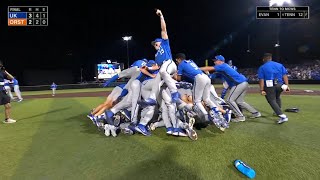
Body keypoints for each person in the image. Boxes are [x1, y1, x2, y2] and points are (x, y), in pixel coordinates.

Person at [174, 53, 228, 131]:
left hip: (199, 78)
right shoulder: (190, 61)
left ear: (178, 59)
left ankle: (205, 117)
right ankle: (218, 113)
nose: (177, 62)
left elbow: (178, 79)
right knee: (207, 99)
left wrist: (176, 75)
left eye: (177, 61)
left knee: (197, 101)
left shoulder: (181, 64)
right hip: (206, 77)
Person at [201, 55, 261, 122]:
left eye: (216, 61)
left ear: (221, 61)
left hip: (239, 83)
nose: (215, 62)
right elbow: (212, 76)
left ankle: (240, 116)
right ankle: (256, 113)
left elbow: (210, 68)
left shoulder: (223, 65)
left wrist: (197, 69)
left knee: (229, 100)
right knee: (240, 101)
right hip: (243, 83)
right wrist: (208, 74)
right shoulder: (222, 69)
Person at [140, 9, 179, 106]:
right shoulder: (156, 55)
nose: (154, 45)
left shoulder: (164, 44)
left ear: (160, 42)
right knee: (157, 79)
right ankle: (152, 98)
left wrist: (161, 16)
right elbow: (157, 67)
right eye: (153, 44)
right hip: (165, 69)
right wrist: (148, 68)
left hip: (170, 64)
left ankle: (175, 92)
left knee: (162, 71)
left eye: (155, 43)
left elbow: (163, 29)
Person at [258, 53, 289, 124]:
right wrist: (287, 85)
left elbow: (261, 80)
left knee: (271, 100)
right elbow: (285, 75)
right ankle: (278, 111)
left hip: (269, 86)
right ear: (271, 58)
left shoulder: (262, 67)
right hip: (280, 85)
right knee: (277, 97)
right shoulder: (279, 65)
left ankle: (282, 116)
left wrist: (262, 89)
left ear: (264, 59)